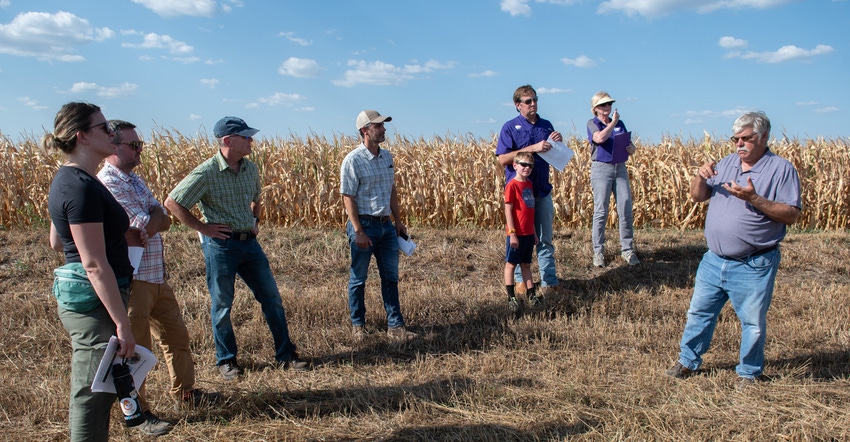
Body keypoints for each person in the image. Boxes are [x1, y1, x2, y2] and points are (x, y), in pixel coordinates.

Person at [97, 120, 220, 432]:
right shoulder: (108, 184)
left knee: (176, 337)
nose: (140, 150)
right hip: (132, 279)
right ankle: (138, 412)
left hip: (155, 275)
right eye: (133, 145)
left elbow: (161, 219)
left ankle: (186, 393)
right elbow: (138, 228)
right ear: (113, 146)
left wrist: (151, 221)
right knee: (135, 350)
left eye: (140, 145)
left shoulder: (134, 180)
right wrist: (150, 221)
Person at [164, 116, 308, 380]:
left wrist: (255, 221)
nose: (252, 140)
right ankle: (226, 361)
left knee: (272, 299)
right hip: (220, 246)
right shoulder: (206, 172)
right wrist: (204, 228)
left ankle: (286, 354)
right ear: (228, 141)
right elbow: (172, 202)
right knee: (222, 305)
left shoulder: (250, 169)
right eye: (246, 136)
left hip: (249, 244)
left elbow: (256, 199)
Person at [666, 111, 801, 387]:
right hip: (714, 260)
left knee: (752, 322)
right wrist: (700, 177)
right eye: (735, 139)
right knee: (699, 313)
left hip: (754, 263)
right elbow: (697, 197)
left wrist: (754, 198)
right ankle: (687, 361)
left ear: (763, 137)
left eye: (746, 138)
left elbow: (791, 214)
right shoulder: (727, 163)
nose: (739, 144)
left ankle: (749, 373)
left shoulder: (781, 169)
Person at [45, 102, 136, 441]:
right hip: (95, 303)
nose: (111, 134)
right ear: (82, 136)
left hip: (96, 299)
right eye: (103, 128)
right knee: (90, 395)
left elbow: (58, 240)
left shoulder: (73, 180)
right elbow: (94, 264)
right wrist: (122, 325)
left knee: (99, 392)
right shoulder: (80, 186)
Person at [340, 110, 416, 342]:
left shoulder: (387, 158)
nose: (384, 130)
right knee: (358, 278)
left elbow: (391, 191)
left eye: (383, 126)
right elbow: (348, 197)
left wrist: (398, 221)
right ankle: (358, 326)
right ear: (365, 131)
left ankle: (395, 326)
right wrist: (359, 230)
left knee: (391, 278)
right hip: (364, 225)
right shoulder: (353, 160)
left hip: (386, 226)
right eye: (378, 126)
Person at [496, 84, 562, 298]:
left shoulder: (545, 125)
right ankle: (520, 282)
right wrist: (532, 148)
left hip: (541, 189)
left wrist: (557, 143)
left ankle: (549, 282)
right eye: (528, 101)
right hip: (520, 193)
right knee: (520, 238)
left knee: (544, 238)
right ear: (518, 105)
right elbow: (502, 159)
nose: (533, 104)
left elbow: (555, 154)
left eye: (535, 99)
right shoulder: (509, 127)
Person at [586, 91, 639, 267]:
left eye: (609, 103)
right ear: (595, 108)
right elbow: (600, 138)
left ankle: (627, 250)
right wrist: (613, 123)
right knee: (601, 211)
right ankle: (598, 252)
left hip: (620, 168)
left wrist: (631, 148)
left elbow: (628, 145)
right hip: (601, 168)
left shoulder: (620, 124)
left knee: (625, 208)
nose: (607, 107)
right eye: (603, 104)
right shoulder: (592, 124)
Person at [503, 151, 540, 314]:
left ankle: (532, 294)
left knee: (526, 264)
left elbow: (530, 211)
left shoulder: (529, 185)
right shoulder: (512, 185)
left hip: (528, 234)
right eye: (523, 164)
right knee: (511, 264)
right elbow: (508, 210)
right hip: (516, 233)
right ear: (515, 165)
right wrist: (512, 233)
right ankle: (511, 297)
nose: (527, 168)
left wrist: (534, 233)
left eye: (530, 165)